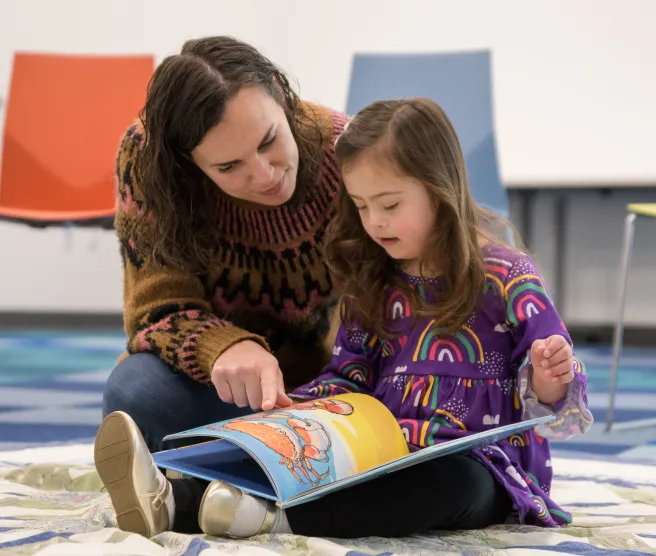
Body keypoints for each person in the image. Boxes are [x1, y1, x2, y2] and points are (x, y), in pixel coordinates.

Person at [95, 97, 593, 539]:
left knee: (446, 486)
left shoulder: (507, 275)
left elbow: (554, 399)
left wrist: (551, 380)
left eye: (390, 205)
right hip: (383, 449)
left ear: (441, 190)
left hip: (482, 466)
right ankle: (177, 497)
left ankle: (268, 518)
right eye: (361, 206)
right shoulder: (374, 284)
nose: (375, 222)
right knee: (305, 454)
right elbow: (350, 375)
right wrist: (301, 410)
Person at [103, 35, 350, 452]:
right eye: (229, 166)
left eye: (268, 140)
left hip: (330, 392)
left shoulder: (345, 149)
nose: (265, 175)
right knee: (135, 391)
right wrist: (225, 346)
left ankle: (212, 484)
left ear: (278, 90)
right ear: (188, 162)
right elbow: (155, 313)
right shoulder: (148, 160)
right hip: (220, 393)